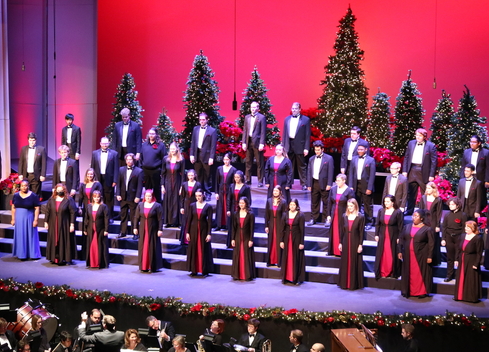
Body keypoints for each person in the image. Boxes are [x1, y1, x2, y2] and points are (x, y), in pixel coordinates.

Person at [398, 209, 434, 299]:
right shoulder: (407, 227)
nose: (413, 218)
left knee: (419, 273)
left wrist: (430, 256)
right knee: (409, 272)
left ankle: (421, 291)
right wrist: (399, 251)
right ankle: (408, 290)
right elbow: (401, 239)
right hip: (408, 255)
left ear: (421, 218)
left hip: (421, 255)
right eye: (413, 216)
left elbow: (431, 244)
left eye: (416, 216)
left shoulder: (427, 229)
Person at [402, 128, 437, 215]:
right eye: (417, 135)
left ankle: (424, 211)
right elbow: (406, 157)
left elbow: (434, 161)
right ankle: (409, 210)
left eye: (420, 136)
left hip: (423, 171)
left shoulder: (430, 146)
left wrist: (432, 174)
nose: (417, 137)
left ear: (424, 137)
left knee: (424, 192)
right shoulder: (411, 143)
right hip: (412, 169)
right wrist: (405, 170)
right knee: (411, 192)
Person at [44, 183, 77, 265]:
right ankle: (54, 257)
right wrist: (46, 222)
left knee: (64, 239)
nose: (59, 191)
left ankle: (65, 258)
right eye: (58, 190)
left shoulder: (69, 199)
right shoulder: (51, 199)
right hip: (53, 223)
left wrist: (72, 224)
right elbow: (47, 211)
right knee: (53, 239)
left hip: (64, 224)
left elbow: (73, 212)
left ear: (64, 190)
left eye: (61, 190)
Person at [282, 103, 311, 191]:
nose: (294, 110)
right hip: (289, 144)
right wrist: (284, 147)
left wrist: (306, 148)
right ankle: (289, 183)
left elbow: (307, 135)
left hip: (300, 145)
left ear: (299, 109)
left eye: (296, 108)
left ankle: (304, 184)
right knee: (289, 165)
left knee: (301, 165)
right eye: (293, 108)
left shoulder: (305, 120)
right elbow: (284, 134)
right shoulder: (287, 119)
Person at [133, 190, 163, 272]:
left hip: (153, 229)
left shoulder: (157, 206)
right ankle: (143, 266)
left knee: (152, 246)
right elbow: (136, 217)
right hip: (143, 229)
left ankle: (151, 266)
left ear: (152, 196)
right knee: (143, 246)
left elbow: (160, 219)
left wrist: (160, 229)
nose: (148, 198)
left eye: (149, 196)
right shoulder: (140, 205)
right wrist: (135, 227)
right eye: (146, 196)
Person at [374, 195, 403, 279]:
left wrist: (399, 237)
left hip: (393, 235)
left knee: (391, 253)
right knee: (383, 253)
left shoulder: (398, 212)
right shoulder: (381, 211)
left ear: (392, 202)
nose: (386, 203)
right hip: (383, 235)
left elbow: (400, 226)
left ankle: (392, 271)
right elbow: (377, 224)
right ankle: (382, 271)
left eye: (388, 201)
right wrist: (376, 234)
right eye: (385, 201)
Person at [338, 198, 365, 290]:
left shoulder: (360, 217)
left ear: (355, 206)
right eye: (348, 206)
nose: (350, 208)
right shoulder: (344, 216)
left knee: (354, 261)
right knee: (345, 261)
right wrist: (340, 242)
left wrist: (360, 245)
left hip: (355, 241)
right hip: (345, 241)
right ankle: (344, 283)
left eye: (351, 206)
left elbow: (362, 232)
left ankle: (353, 284)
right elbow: (341, 231)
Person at [186, 189, 214, 277]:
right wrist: (187, 232)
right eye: (197, 196)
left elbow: (209, 221)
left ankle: (204, 269)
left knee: (203, 248)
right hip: (193, 229)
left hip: (203, 229)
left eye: (200, 195)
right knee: (194, 248)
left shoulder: (208, 206)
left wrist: (209, 233)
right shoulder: (192, 205)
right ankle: (194, 269)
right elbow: (189, 219)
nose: (198, 197)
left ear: (203, 195)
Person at [454, 220, 483, 303]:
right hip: (462, 259)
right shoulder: (462, 236)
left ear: (473, 228)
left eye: (468, 227)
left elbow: (479, 253)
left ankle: (470, 297)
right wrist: (456, 259)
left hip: (471, 260)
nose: (465, 228)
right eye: (465, 227)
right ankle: (459, 296)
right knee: (461, 277)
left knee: (470, 279)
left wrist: (476, 263)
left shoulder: (478, 238)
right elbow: (458, 249)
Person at [11, 179, 41, 260]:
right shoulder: (16, 195)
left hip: (29, 218)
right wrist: (13, 219)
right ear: (20, 187)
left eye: (25, 186)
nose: (24, 187)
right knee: (20, 235)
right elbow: (13, 208)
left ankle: (32, 254)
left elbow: (37, 208)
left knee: (30, 235)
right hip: (19, 218)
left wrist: (36, 220)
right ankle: (21, 254)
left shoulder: (33, 196)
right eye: (22, 186)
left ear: (28, 186)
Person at [90, 137, 119, 221]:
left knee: (109, 198)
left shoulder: (114, 154)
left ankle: (109, 217)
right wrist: (92, 179)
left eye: (106, 143)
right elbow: (92, 167)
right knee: (97, 196)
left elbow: (116, 168)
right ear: (100, 143)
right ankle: (98, 216)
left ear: (109, 144)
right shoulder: (94, 153)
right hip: (97, 178)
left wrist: (115, 180)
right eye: (103, 143)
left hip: (109, 178)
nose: (104, 145)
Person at [348, 144, 376, 228]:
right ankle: (358, 221)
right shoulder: (354, 159)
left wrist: (369, 188)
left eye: (361, 149)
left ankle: (369, 222)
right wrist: (351, 185)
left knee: (368, 204)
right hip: (356, 185)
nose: (359, 151)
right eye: (358, 149)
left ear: (366, 150)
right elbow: (351, 173)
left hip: (366, 185)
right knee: (357, 203)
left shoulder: (371, 160)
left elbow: (372, 175)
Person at [326, 174, 355, 256]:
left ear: (344, 181)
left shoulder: (349, 191)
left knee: (341, 231)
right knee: (334, 231)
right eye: (336, 180)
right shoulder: (333, 189)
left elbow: (352, 204)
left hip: (343, 214)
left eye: (339, 180)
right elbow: (329, 203)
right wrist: (328, 215)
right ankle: (332, 250)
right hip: (334, 213)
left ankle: (341, 251)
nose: (336, 182)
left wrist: (349, 215)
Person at [190, 112, 217, 198]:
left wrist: (211, 157)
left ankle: (208, 193)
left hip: (207, 156)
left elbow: (213, 146)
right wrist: (191, 155)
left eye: (203, 120)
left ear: (207, 120)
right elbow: (193, 142)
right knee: (198, 174)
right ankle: (199, 193)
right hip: (197, 154)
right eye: (200, 120)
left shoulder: (212, 131)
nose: (201, 121)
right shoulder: (195, 129)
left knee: (207, 175)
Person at [116, 153, 143, 239]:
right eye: (127, 159)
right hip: (123, 196)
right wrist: (118, 194)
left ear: (133, 160)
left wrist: (138, 196)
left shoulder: (139, 171)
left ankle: (135, 233)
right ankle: (123, 232)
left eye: (130, 159)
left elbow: (140, 185)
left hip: (133, 197)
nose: (129, 161)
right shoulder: (121, 170)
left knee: (134, 216)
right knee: (123, 215)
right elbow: (118, 183)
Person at [307, 140, 334, 225]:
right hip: (314, 183)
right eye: (315, 150)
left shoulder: (329, 158)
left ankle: (327, 219)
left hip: (324, 183)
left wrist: (329, 183)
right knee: (314, 202)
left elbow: (331, 172)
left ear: (322, 149)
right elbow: (309, 172)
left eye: (318, 150)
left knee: (326, 202)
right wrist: (309, 184)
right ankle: (313, 218)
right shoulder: (311, 159)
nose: (317, 151)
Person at [441, 197, 467, 282]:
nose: (450, 206)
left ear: (458, 205)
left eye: (453, 204)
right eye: (450, 204)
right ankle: (449, 275)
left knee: (459, 257)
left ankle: (459, 275)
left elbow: (464, 228)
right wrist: (443, 239)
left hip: (459, 237)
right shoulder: (447, 215)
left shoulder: (463, 215)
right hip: (449, 237)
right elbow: (444, 227)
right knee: (450, 257)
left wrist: (463, 239)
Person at [280, 199, 306, 285]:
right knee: (286, 257)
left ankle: (295, 278)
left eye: (294, 205)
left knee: (296, 257)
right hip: (287, 239)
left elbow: (302, 230)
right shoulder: (285, 214)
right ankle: (286, 277)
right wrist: (281, 241)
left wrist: (302, 243)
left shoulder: (300, 215)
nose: (292, 206)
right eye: (291, 204)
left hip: (296, 239)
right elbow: (282, 229)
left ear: (297, 206)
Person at [417, 181, 443, 266]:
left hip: (433, 222)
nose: (427, 190)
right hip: (424, 221)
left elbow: (439, 213)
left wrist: (438, 225)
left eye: (429, 188)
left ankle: (434, 259)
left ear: (433, 189)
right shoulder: (423, 197)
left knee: (433, 240)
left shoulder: (438, 200)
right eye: (426, 188)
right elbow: (420, 210)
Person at [231, 197, 256, 281]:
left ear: (246, 204)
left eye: (243, 203)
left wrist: (251, 240)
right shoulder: (236, 214)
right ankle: (237, 274)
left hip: (246, 237)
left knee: (246, 255)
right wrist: (233, 239)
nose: (241, 205)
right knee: (238, 254)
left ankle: (247, 275)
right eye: (240, 203)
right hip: (238, 236)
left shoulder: (250, 214)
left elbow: (252, 228)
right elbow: (233, 227)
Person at [242, 102, 266, 187]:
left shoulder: (262, 117)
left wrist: (262, 143)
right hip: (249, 141)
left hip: (257, 142)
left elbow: (263, 131)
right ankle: (248, 179)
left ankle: (260, 181)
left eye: (254, 107)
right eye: (251, 107)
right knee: (248, 162)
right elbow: (245, 130)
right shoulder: (247, 117)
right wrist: (244, 142)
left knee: (259, 162)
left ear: (257, 108)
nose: (252, 109)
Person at [83, 190, 109, 269]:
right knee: (91, 246)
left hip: (100, 229)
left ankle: (100, 263)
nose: (96, 199)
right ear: (93, 198)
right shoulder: (89, 206)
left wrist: (106, 230)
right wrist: (85, 229)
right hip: (91, 228)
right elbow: (86, 218)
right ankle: (91, 262)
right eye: (95, 197)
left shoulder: (103, 206)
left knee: (100, 246)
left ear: (100, 197)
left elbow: (106, 219)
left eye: (98, 197)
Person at [140, 128, 167, 203]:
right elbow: (141, 157)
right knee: (147, 189)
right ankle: (148, 205)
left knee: (156, 189)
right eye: (150, 133)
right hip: (146, 171)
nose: (151, 135)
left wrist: (162, 171)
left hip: (156, 171)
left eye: (153, 134)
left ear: (156, 135)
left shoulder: (161, 145)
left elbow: (164, 158)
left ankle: (157, 205)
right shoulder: (144, 145)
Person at [161, 142, 185, 228]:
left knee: (176, 201)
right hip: (167, 183)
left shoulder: (181, 160)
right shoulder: (165, 159)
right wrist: (162, 185)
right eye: (171, 149)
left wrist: (182, 186)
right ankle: (167, 221)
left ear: (177, 149)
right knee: (167, 201)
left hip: (177, 182)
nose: (172, 151)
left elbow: (183, 174)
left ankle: (177, 222)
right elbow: (163, 173)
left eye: (173, 149)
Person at [226, 171, 252, 248]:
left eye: (238, 177)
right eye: (235, 177)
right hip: (232, 208)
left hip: (242, 208)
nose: (236, 179)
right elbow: (229, 199)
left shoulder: (246, 187)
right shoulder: (231, 186)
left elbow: (248, 199)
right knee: (232, 226)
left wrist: (247, 209)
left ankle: (239, 242)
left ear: (241, 177)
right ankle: (231, 242)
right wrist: (228, 209)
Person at [264, 186, 287, 267]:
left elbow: (285, 215)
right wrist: (266, 225)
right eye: (274, 191)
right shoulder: (269, 201)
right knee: (271, 242)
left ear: (280, 192)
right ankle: (270, 261)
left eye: (277, 191)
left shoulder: (283, 202)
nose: (275, 192)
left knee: (278, 242)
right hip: (271, 224)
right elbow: (266, 214)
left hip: (279, 224)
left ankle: (279, 261)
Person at [18, 132, 47, 197]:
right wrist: (20, 174)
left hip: (36, 175)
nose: (32, 142)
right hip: (26, 175)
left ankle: (34, 206)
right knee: (25, 193)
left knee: (35, 194)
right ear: (28, 140)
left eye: (33, 140)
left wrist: (43, 175)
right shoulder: (24, 149)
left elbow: (44, 163)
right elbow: (21, 162)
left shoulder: (41, 149)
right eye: (30, 140)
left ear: (35, 140)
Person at [214, 153, 237, 231]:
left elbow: (234, 182)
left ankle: (227, 225)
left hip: (229, 191)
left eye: (227, 159)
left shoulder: (233, 170)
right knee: (220, 207)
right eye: (224, 159)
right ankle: (218, 225)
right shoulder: (219, 168)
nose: (225, 161)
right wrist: (216, 192)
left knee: (227, 207)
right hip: (220, 191)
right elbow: (216, 181)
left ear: (230, 160)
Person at [179, 169, 202, 244]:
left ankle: (192, 237)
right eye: (189, 175)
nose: (190, 177)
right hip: (186, 204)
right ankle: (184, 239)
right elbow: (182, 197)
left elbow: (200, 196)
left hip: (194, 204)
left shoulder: (198, 184)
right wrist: (181, 207)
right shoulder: (184, 184)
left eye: (192, 175)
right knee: (185, 221)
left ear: (194, 176)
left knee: (192, 220)